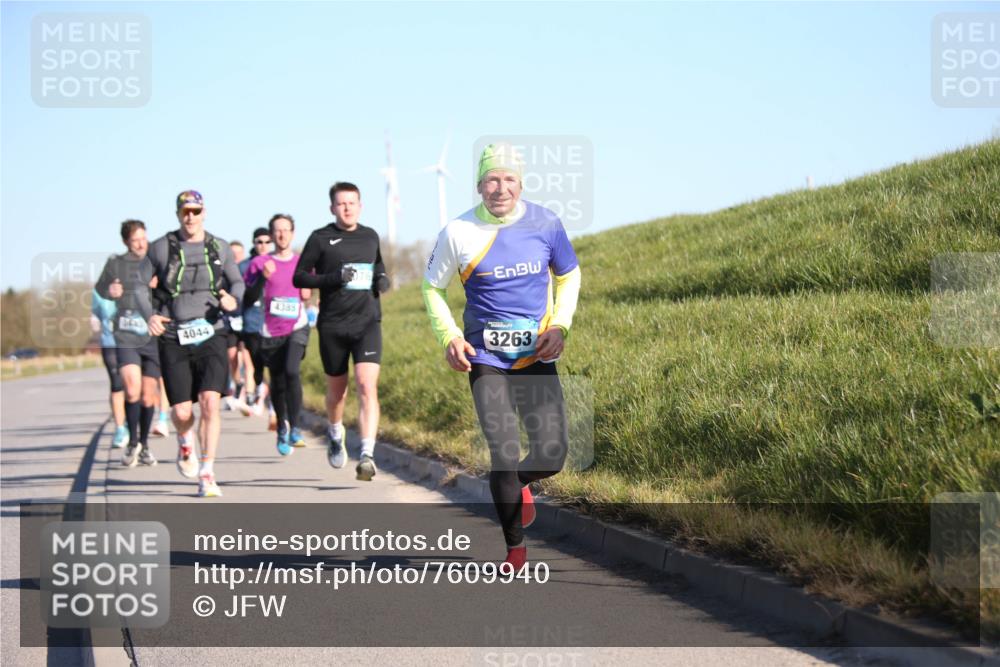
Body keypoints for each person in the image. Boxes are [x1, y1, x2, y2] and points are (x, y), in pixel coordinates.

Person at [422, 143, 581, 571]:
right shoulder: (457, 232)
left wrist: (559, 325)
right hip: (486, 357)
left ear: (520, 184)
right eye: (492, 179)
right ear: (478, 185)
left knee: (551, 454)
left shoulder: (546, 223)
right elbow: (432, 289)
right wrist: (449, 336)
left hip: (535, 355)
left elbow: (569, 275)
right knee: (505, 451)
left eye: (508, 179)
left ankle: (517, 485)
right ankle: (515, 549)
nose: (500, 187)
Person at [147, 190, 245, 498]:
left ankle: (207, 471)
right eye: (185, 211)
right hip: (174, 335)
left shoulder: (219, 246)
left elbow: (238, 282)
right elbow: (137, 284)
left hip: (211, 331)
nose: (191, 216)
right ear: (178, 214)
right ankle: (185, 438)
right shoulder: (161, 248)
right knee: (181, 411)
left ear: (204, 213)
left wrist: (233, 299)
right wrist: (148, 314)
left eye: (196, 211)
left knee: (210, 402)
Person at [293, 182, 390, 481]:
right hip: (334, 325)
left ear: (360, 205)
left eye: (352, 202)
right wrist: (334, 278)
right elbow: (299, 277)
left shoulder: (370, 236)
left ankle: (367, 454)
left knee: (366, 385)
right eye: (341, 203)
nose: (347, 208)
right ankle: (335, 432)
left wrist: (382, 281)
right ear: (332, 208)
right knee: (337, 392)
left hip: (367, 323)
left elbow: (380, 268)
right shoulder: (321, 238)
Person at [244, 214, 311, 455]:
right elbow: (248, 299)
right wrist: (263, 278)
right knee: (279, 382)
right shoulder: (259, 264)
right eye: (277, 231)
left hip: (297, 326)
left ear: (293, 233)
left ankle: (295, 428)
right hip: (270, 331)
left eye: (286, 230)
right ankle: (281, 426)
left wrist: (308, 293)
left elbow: (310, 289)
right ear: (272, 236)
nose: (282, 235)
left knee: (292, 371)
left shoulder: (303, 262)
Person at [96, 220, 161, 467]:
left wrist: (160, 286)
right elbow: (101, 288)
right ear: (126, 242)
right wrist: (109, 289)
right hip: (125, 335)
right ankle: (132, 441)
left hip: (152, 336)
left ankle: (144, 445)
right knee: (131, 388)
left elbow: (172, 289)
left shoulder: (155, 261)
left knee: (147, 396)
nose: (141, 244)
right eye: (135, 240)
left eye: (144, 238)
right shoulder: (116, 263)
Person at [239, 228, 272, 419]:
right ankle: (259, 391)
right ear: (253, 242)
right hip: (252, 322)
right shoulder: (245, 266)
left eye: (268, 242)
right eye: (259, 241)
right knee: (257, 365)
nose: (263, 245)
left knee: (277, 366)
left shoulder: (278, 262)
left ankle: (267, 403)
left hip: (275, 322)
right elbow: (245, 297)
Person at [91, 289, 127, 448]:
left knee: (133, 386)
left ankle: (131, 421)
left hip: (131, 342)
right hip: (110, 343)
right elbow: (96, 315)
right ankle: (120, 428)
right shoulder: (99, 292)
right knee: (116, 383)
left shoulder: (132, 283)